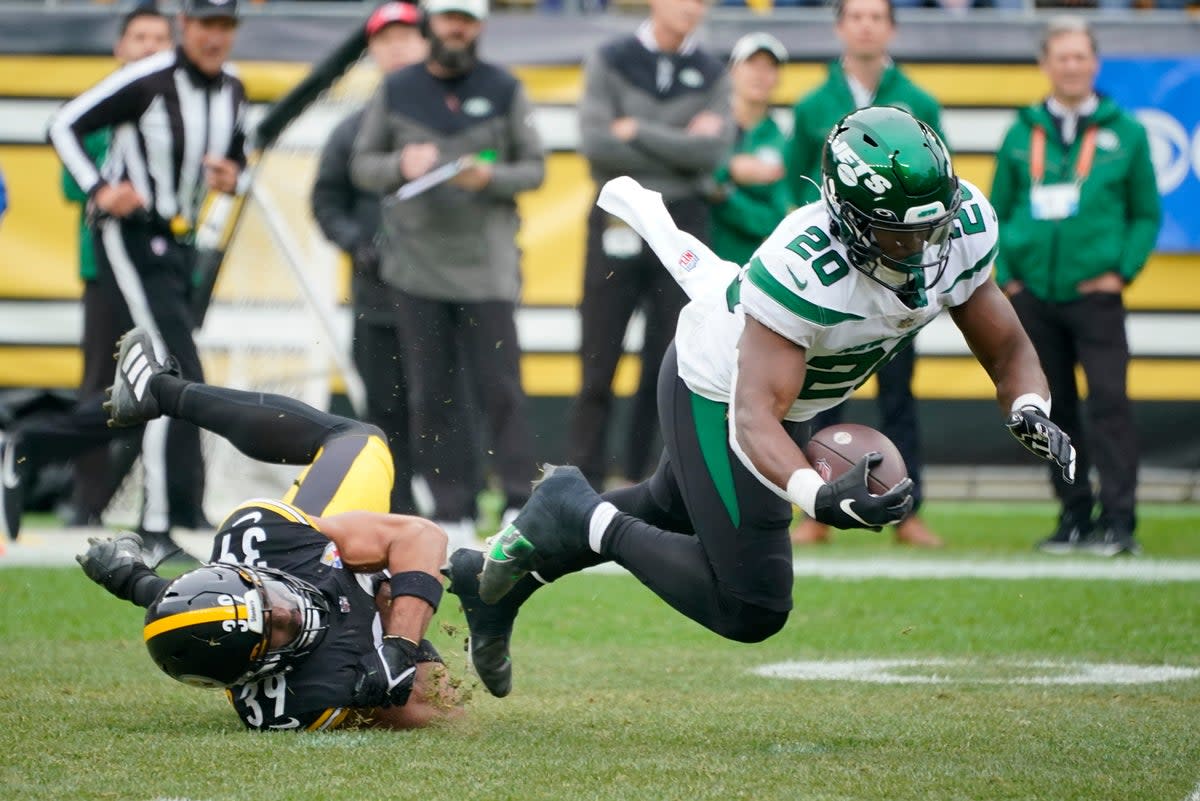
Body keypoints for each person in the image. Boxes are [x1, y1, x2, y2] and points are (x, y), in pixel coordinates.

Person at [445, 107, 1076, 700]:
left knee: (669, 509)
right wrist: (817, 495)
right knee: (751, 604)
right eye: (898, 233)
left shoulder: (959, 231)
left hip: (784, 405)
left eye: (930, 229)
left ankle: (490, 584)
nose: (922, 250)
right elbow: (752, 418)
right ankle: (574, 510)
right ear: (849, 221)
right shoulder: (805, 268)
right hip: (718, 388)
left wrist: (1028, 405)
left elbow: (1007, 345)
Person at [76, 326, 460, 731]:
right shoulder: (311, 696)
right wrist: (404, 645)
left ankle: (162, 391)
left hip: (293, 560)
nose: (286, 609)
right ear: (258, 668)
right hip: (303, 627)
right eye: (278, 627)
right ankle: (135, 575)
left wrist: (399, 645)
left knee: (359, 442)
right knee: (385, 586)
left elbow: (421, 536)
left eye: (269, 599)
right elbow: (445, 712)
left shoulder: (271, 541)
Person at [24, 0, 251, 558]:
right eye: (206, 24)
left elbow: (234, 159)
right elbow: (63, 123)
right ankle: (156, 523)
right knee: (172, 371)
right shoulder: (147, 79)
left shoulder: (233, 90)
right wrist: (101, 188)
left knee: (156, 378)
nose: (214, 36)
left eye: (225, 25)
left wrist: (233, 175)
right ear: (186, 26)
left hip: (178, 244)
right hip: (129, 236)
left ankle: (28, 442)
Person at [350, 0, 543, 549]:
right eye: (448, 18)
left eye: (468, 19)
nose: (457, 28)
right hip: (414, 270)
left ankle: (516, 500)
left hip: (488, 270)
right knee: (431, 393)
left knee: (501, 387)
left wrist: (490, 177)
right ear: (431, 23)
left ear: (479, 26)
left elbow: (535, 167)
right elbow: (362, 166)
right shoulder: (396, 89)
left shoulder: (505, 88)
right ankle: (450, 507)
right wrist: (399, 167)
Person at [990, 16, 1161, 557]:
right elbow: (996, 211)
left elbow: (1145, 214)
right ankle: (1071, 516)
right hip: (1034, 297)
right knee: (1051, 410)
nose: (1071, 65)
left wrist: (1123, 270)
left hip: (1096, 296)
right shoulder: (1021, 131)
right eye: (1061, 56)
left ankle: (1119, 521)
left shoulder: (1126, 131)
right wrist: (1009, 276)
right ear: (1045, 64)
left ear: (1095, 63)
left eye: (1080, 56)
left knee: (1109, 404)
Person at [785, 0, 948, 548]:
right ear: (839, 26)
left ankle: (910, 510)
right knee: (823, 391)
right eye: (855, 15)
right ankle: (815, 508)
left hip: (902, 271)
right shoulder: (813, 105)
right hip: (835, 273)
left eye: (876, 15)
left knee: (900, 393)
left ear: (891, 27)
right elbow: (794, 186)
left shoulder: (919, 101)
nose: (865, 24)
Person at [568, 0, 734, 491]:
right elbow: (598, 146)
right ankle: (581, 479)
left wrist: (636, 129)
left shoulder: (712, 71)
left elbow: (711, 153)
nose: (691, 7)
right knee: (598, 359)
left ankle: (649, 482)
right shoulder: (609, 58)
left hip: (683, 222)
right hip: (618, 215)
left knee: (671, 362)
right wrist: (678, 142)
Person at [311, 1, 428, 516]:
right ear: (372, 51)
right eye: (385, 40)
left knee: (445, 404)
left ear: (427, 43)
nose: (397, 49)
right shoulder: (351, 128)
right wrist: (358, 244)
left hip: (443, 294)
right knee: (382, 407)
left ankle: (456, 507)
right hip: (376, 293)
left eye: (406, 37)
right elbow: (325, 200)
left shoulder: (448, 116)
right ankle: (396, 510)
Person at [61, 5, 174, 528]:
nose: (150, 45)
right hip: (106, 269)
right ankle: (86, 504)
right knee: (100, 385)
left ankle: (158, 501)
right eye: (139, 36)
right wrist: (106, 191)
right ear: (119, 48)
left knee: (167, 384)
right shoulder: (96, 109)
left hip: (166, 271)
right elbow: (71, 184)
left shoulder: (181, 106)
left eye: (159, 37)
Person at [708, 32, 793, 268]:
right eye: (752, 64)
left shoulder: (784, 137)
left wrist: (724, 194)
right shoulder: (707, 124)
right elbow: (689, 177)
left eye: (769, 67)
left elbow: (774, 219)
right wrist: (731, 168)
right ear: (733, 70)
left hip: (748, 269)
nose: (760, 74)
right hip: (695, 260)